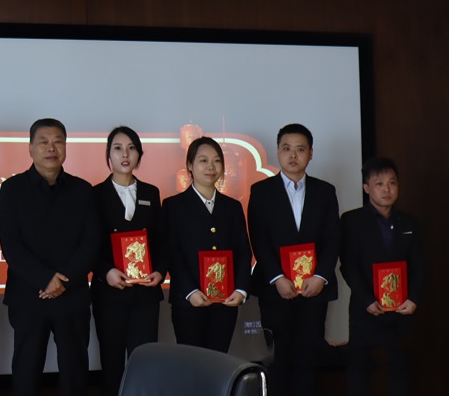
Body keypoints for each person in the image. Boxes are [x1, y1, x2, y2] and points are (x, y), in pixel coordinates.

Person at [0, 118, 98, 396]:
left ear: (66, 147)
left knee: (75, 371)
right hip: (28, 295)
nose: (51, 148)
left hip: (72, 294)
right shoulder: (12, 189)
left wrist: (63, 281)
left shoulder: (82, 190)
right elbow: (11, 245)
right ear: (30, 148)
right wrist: (45, 279)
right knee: (26, 370)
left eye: (58, 141)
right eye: (43, 141)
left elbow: (91, 243)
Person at [247, 123, 340, 396]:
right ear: (278, 151)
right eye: (287, 148)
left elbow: (333, 238)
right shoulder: (261, 191)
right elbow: (259, 239)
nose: (293, 155)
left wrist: (320, 276)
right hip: (276, 290)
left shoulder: (325, 191)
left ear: (310, 153)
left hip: (314, 289)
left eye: (300, 149)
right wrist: (277, 278)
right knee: (280, 358)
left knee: (309, 358)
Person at [340, 158, 425, 396]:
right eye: (379, 183)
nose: (387, 189)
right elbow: (348, 265)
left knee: (400, 369)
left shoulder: (409, 222)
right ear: (367, 187)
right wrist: (366, 299)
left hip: (401, 309)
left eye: (392, 183)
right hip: (366, 307)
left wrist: (414, 299)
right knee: (359, 370)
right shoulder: (352, 220)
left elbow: (419, 265)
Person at [90, 126, 165, 396]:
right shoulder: (94, 194)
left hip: (145, 294)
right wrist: (105, 271)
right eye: (118, 148)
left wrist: (160, 271)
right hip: (109, 292)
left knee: (144, 362)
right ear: (108, 154)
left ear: (139, 155)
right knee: (112, 363)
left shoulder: (151, 193)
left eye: (132, 148)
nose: (125, 154)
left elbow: (161, 240)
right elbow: (89, 243)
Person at [163, 136, 251, 353]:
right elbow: (172, 253)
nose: (211, 166)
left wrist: (241, 289)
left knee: (219, 361)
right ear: (190, 165)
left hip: (226, 302)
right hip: (188, 302)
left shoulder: (232, 207)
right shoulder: (174, 206)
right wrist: (190, 291)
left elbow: (243, 251)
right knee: (192, 363)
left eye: (217, 161)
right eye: (203, 160)